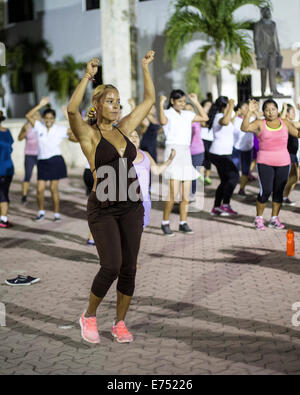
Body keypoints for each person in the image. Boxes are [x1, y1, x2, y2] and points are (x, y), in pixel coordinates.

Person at [67, 51, 156, 344]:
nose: (116, 105)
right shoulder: (89, 135)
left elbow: (149, 101)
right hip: (103, 209)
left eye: (118, 101)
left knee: (129, 267)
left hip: (132, 206)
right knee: (112, 265)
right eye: (110, 100)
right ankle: (89, 315)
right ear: (98, 104)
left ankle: (120, 323)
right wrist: (88, 76)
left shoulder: (124, 128)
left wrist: (144, 68)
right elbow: (70, 110)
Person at [241, 99, 300, 230]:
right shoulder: (259, 123)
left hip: (284, 162)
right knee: (266, 191)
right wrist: (249, 111)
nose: (270, 112)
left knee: (278, 191)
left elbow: (297, 134)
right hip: (265, 162)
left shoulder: (285, 122)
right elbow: (244, 128)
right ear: (264, 112)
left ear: (277, 110)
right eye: (267, 109)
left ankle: (274, 219)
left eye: (273, 109)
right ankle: (258, 219)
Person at [159, 91, 208, 236]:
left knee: (186, 195)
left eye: (183, 101)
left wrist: (196, 101)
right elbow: (162, 121)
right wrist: (161, 104)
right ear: (173, 101)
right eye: (179, 101)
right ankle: (165, 222)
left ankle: (183, 222)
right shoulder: (167, 112)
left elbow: (205, 117)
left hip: (185, 153)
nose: (182, 103)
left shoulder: (187, 114)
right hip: (173, 152)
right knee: (173, 194)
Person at [25, 97, 78, 222]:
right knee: (39, 189)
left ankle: (56, 214)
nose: (49, 120)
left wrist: (66, 114)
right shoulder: (39, 126)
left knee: (54, 189)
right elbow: (28, 115)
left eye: (51, 118)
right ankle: (41, 212)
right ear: (44, 118)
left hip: (55, 161)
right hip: (42, 161)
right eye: (47, 118)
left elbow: (75, 129)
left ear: (54, 119)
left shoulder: (60, 129)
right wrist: (40, 104)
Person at [128, 130, 176, 228]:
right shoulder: (121, 156)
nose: (134, 138)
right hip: (126, 200)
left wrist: (169, 160)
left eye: (136, 136)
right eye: (131, 136)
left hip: (144, 199)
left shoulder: (146, 155)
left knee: (139, 230)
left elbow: (157, 171)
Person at [208, 96, 239, 216]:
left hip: (221, 153)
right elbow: (225, 122)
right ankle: (225, 205)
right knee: (234, 177)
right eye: (229, 106)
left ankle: (216, 207)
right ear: (224, 107)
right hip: (219, 154)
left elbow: (229, 122)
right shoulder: (219, 117)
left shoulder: (222, 116)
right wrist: (231, 105)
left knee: (225, 180)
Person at [253, 6, 282, 97]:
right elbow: (256, 39)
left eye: (269, 11)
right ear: (263, 13)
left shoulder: (273, 24)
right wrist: (258, 53)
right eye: (266, 11)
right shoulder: (258, 25)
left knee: (272, 72)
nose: (268, 13)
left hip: (272, 51)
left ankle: (274, 90)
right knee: (264, 73)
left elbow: (276, 38)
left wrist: (278, 51)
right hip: (262, 52)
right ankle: (263, 91)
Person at [231, 101, 254, 197]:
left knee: (245, 171)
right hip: (237, 148)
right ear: (240, 109)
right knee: (234, 170)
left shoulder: (252, 118)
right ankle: (229, 189)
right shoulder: (236, 120)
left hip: (248, 148)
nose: (247, 109)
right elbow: (229, 125)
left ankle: (241, 190)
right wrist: (236, 114)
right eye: (245, 107)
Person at [18, 112, 40, 204]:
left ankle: (40, 195)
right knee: (28, 175)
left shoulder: (41, 126)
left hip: (40, 155)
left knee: (41, 177)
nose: (37, 117)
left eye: (38, 115)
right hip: (29, 155)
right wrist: (25, 131)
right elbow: (19, 138)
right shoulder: (26, 126)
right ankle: (24, 196)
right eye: (35, 115)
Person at [185, 103, 205, 201]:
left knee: (194, 174)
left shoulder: (198, 122)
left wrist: (196, 103)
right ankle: (185, 194)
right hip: (185, 152)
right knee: (186, 174)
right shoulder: (182, 122)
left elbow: (205, 118)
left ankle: (192, 194)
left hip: (198, 151)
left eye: (190, 109)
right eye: (186, 109)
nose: (188, 111)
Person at [281, 103, 300, 206]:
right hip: (288, 153)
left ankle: (284, 196)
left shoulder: (291, 123)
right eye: (292, 111)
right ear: (286, 113)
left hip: (294, 153)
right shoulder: (285, 123)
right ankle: (280, 194)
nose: (295, 113)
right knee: (293, 177)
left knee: (295, 177)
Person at [0, 111, 14, 228]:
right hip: (7, 167)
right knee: (4, 193)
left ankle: (3, 219)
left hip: (5, 168)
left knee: (3, 193)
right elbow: (10, 148)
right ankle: (3, 219)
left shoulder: (7, 132)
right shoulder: (7, 132)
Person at [199, 99, 213, 185]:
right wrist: (204, 110)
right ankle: (200, 175)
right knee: (201, 158)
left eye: (210, 105)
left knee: (209, 159)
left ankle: (207, 176)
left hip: (211, 139)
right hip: (202, 138)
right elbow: (202, 124)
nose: (209, 107)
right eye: (206, 105)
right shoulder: (200, 115)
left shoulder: (214, 115)